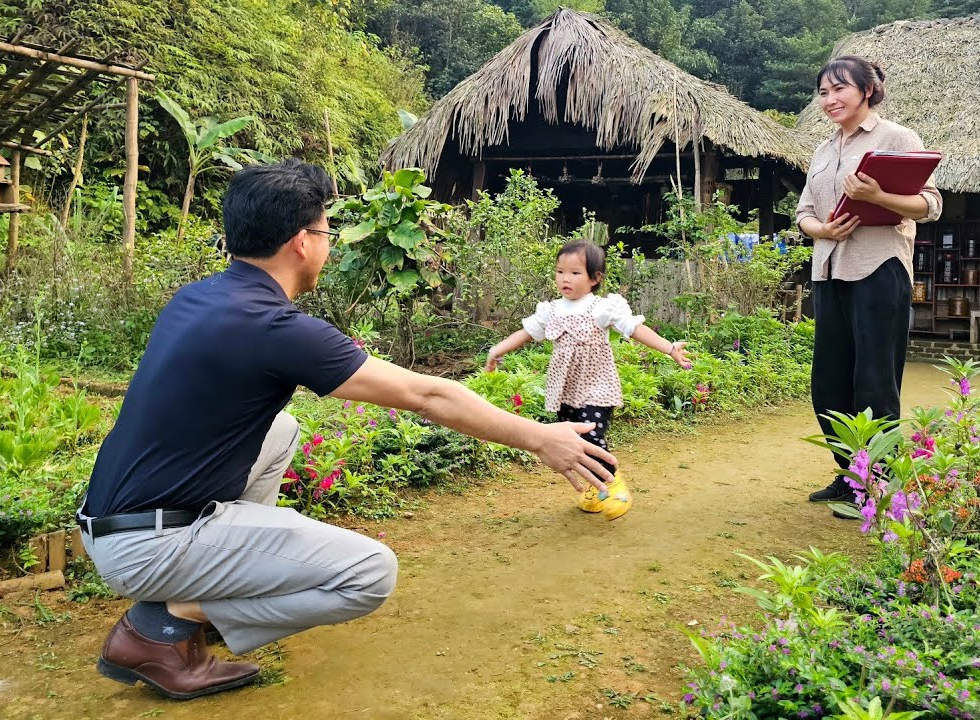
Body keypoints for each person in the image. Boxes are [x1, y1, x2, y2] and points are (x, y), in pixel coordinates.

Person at [77, 159, 618, 700]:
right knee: (367, 574)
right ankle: (164, 624)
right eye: (326, 231)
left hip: (111, 523)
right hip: (149, 548)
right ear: (301, 242)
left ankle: (218, 582)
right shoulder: (274, 327)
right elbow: (426, 394)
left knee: (281, 428)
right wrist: (540, 436)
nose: (329, 244)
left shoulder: (199, 296)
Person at [795, 56, 942, 512]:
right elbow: (803, 213)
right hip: (829, 269)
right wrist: (821, 230)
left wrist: (876, 196)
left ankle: (877, 486)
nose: (830, 99)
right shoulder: (822, 150)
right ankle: (849, 476)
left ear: (867, 90)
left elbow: (930, 205)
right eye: (823, 92)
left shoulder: (897, 138)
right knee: (829, 382)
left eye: (839, 89)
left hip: (879, 267)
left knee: (874, 380)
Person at [484, 240, 691, 520]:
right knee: (573, 442)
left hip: (597, 387)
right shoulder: (552, 310)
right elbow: (526, 333)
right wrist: (497, 350)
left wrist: (670, 349)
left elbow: (635, 330)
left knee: (592, 437)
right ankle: (596, 490)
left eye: (575, 273)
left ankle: (614, 484)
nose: (565, 279)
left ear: (595, 278)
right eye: (560, 272)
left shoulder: (601, 308)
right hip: (566, 391)